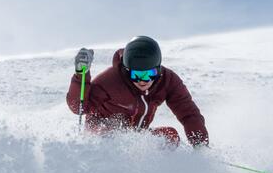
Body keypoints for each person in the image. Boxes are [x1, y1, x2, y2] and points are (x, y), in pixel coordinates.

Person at [66, 35, 208, 147]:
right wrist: (80, 75)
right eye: (136, 75)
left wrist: (200, 145)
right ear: (127, 71)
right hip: (101, 136)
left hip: (135, 138)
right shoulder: (110, 80)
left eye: (149, 74)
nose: (143, 80)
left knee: (170, 136)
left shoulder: (168, 80)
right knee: (115, 138)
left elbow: (188, 113)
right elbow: (79, 107)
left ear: (158, 69)